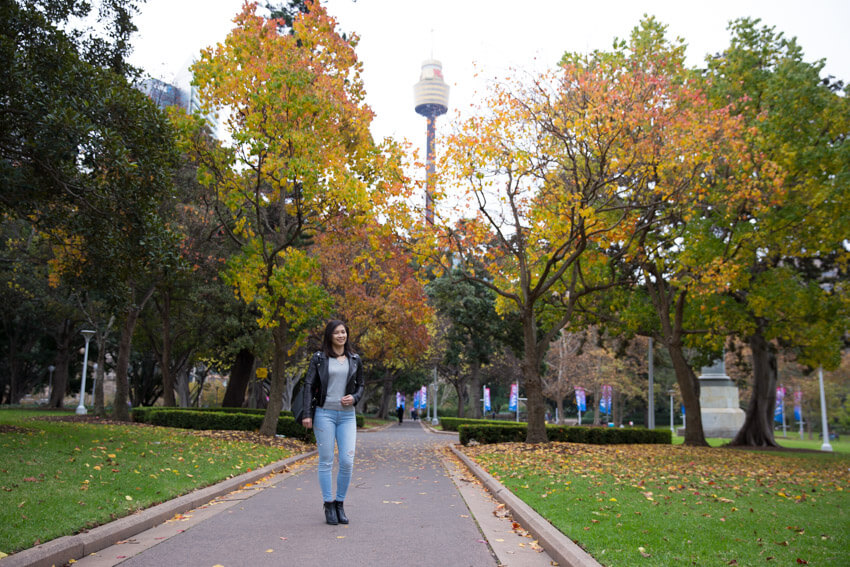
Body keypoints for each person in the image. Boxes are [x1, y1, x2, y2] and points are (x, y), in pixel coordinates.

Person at [301, 320, 364, 525]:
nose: (341, 335)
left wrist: (354, 398)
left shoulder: (355, 359)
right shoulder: (319, 358)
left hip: (347, 416)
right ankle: (328, 504)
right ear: (329, 336)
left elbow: (361, 385)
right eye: (336, 332)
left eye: (343, 332)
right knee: (326, 460)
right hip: (324, 414)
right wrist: (307, 414)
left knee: (347, 461)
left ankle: (340, 504)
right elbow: (309, 384)